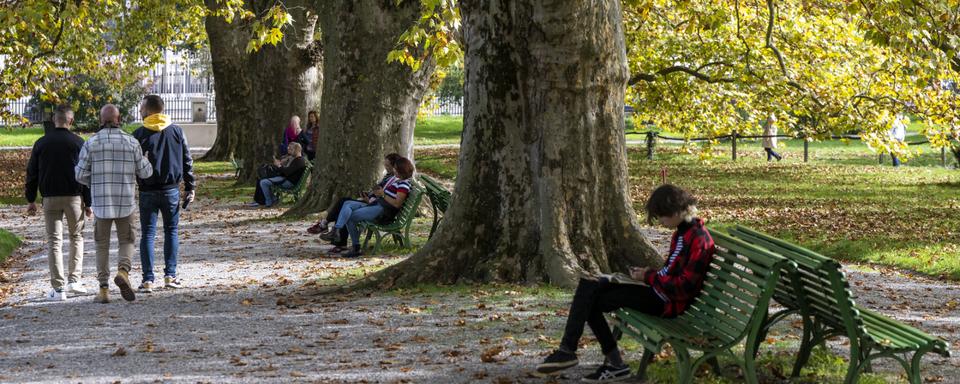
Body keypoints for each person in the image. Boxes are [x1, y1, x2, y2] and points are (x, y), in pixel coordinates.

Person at [534, 184, 715, 382]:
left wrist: (647, 277)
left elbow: (683, 287)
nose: (660, 221)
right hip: (656, 291)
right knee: (589, 285)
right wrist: (647, 274)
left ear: (676, 211)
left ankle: (604, 361)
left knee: (591, 300)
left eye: (662, 215)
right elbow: (668, 273)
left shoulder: (698, 239)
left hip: (667, 302)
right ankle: (571, 352)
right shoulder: (681, 233)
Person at [76, 105, 154, 304]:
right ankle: (123, 271)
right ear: (119, 120)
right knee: (127, 240)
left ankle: (103, 290)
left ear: (101, 121)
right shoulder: (131, 142)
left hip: (101, 204)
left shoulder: (91, 143)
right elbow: (146, 173)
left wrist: (95, 183)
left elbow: (79, 174)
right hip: (125, 201)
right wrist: (145, 160)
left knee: (101, 245)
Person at [25, 105, 92, 301]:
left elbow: (32, 174)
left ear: (55, 120)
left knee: (54, 242)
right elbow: (85, 174)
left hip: (50, 198)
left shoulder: (41, 143)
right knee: (76, 237)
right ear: (70, 121)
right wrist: (88, 203)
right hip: (74, 197)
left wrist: (31, 199)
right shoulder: (79, 142)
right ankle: (74, 280)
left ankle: (58, 288)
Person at [132, 95, 197, 293]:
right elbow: (187, 160)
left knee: (148, 234)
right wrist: (190, 186)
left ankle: (148, 279)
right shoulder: (177, 131)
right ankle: (170, 275)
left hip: (147, 190)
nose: (140, 111)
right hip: (170, 189)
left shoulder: (139, 134)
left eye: (142, 108)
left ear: (149, 110)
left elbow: (133, 164)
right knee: (171, 231)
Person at [327, 157, 415, 258]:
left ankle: (355, 246)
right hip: (378, 205)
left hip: (383, 211)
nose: (393, 170)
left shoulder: (403, 185)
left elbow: (397, 204)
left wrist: (383, 195)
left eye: (395, 168)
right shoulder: (399, 181)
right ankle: (337, 231)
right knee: (347, 203)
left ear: (401, 169)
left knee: (350, 217)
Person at [310, 153, 403, 237]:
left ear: (394, 166)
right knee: (344, 203)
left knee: (344, 204)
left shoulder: (394, 180)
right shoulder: (388, 176)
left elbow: (385, 198)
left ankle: (330, 229)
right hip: (373, 202)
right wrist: (369, 194)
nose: (386, 167)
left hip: (376, 208)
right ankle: (332, 231)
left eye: (388, 165)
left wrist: (369, 199)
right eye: (385, 165)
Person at [248, 142, 308, 208]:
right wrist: (281, 164)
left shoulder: (299, 160)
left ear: (297, 150)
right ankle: (264, 200)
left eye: (291, 149)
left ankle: (269, 202)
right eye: (288, 148)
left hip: (288, 182)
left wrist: (279, 166)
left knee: (263, 182)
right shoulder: (296, 159)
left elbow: (287, 172)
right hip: (286, 178)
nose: (288, 150)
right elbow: (288, 170)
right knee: (261, 178)